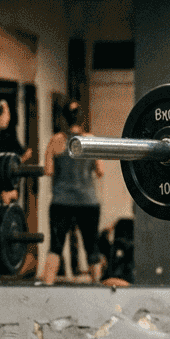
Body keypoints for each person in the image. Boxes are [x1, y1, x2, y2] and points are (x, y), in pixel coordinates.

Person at [41, 100, 105, 284]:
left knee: (55, 247)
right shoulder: (91, 140)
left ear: (64, 119)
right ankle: (98, 288)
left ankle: (46, 287)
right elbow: (100, 171)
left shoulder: (56, 140)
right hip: (88, 201)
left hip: (62, 201)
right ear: (82, 118)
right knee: (92, 247)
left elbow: (48, 170)